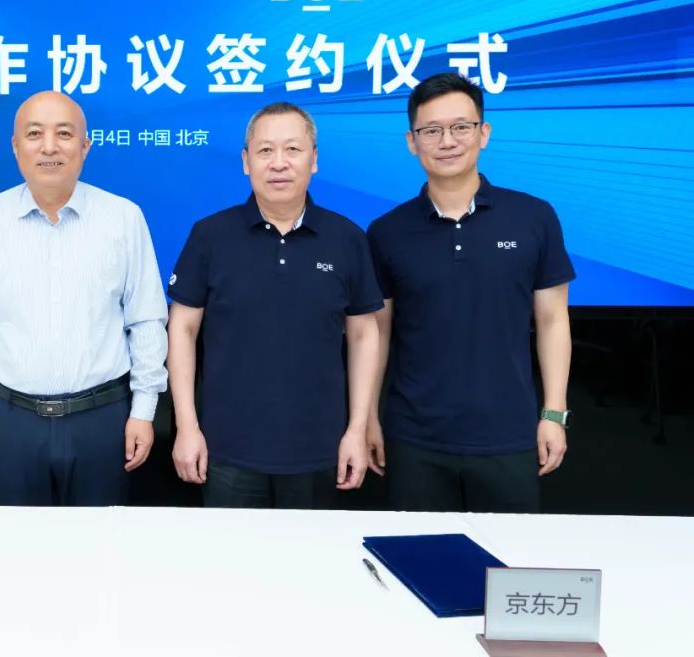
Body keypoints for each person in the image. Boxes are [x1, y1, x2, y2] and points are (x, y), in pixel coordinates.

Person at [366, 73, 575, 513]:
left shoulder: (533, 217)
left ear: (484, 133)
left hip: (510, 434)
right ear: (412, 142)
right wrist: (368, 418)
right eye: (431, 130)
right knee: (417, 552)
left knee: (508, 556)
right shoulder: (387, 232)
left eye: (461, 127)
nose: (447, 141)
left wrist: (554, 413)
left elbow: (553, 320)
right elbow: (376, 334)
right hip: (414, 438)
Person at [0, 91, 168, 506]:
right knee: (17, 541)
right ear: (15, 146)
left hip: (103, 419)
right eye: (35, 134)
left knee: (101, 540)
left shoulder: (123, 218)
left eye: (64, 134)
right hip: (11, 421)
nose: (49, 147)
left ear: (85, 146)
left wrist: (143, 410)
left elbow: (146, 321)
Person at [166, 102, 383, 509]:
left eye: (293, 149)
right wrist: (186, 426)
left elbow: (363, 334)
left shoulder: (346, 238)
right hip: (226, 448)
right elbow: (182, 328)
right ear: (246, 162)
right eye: (265, 150)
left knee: (312, 550)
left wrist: (357, 429)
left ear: (313, 160)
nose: (279, 163)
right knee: (231, 549)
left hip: (321, 449)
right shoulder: (210, 235)